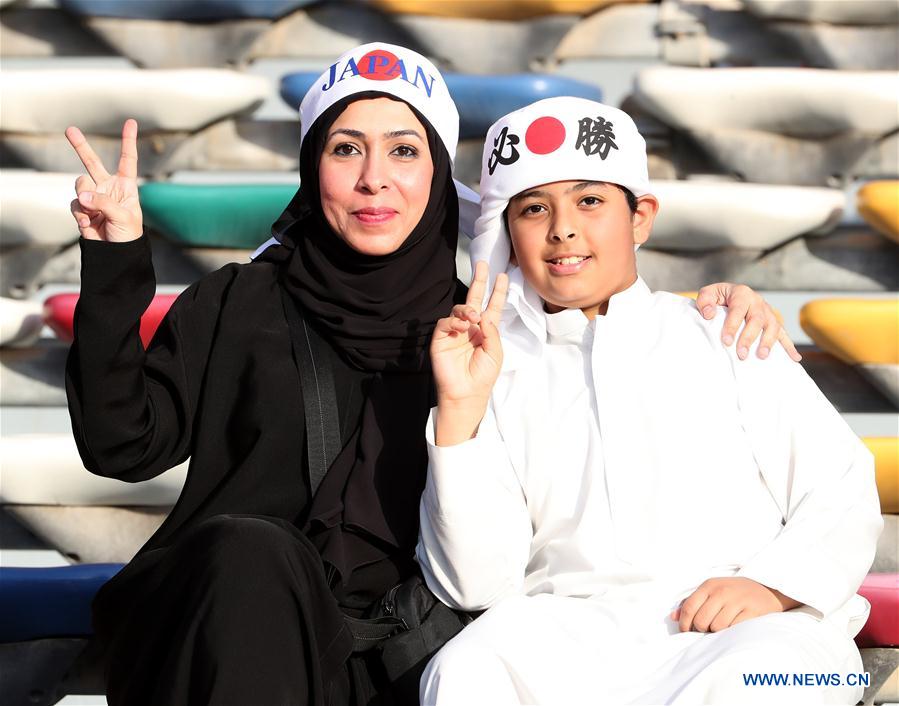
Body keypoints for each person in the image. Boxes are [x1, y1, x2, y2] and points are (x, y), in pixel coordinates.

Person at [64, 43, 791, 705]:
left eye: (404, 151)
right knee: (253, 553)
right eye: (346, 149)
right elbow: (122, 446)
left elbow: (600, 313)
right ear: (310, 165)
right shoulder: (236, 300)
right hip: (230, 625)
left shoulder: (482, 326)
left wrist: (718, 302)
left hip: (405, 650)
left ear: (438, 170)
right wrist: (113, 268)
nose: (373, 180)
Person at [418, 97, 882, 705]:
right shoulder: (492, 367)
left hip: (764, 632)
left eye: (590, 201)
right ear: (507, 233)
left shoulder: (727, 331)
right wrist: (459, 413)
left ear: (640, 217)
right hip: (569, 636)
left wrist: (772, 587)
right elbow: (475, 585)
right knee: (465, 671)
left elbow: (841, 486)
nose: (563, 229)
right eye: (534, 209)